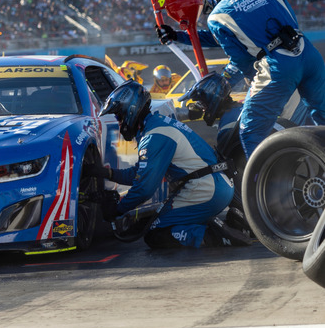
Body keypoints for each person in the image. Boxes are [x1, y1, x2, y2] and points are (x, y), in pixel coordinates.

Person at [156, 0, 325, 158]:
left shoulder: (218, 15)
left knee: (251, 131)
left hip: (280, 68)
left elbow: (241, 61)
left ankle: (263, 185)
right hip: (309, 54)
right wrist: (179, 36)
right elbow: (287, 20)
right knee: (322, 120)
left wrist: (223, 82)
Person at [86, 79, 251, 249]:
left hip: (205, 189)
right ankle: (233, 223)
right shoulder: (157, 125)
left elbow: (144, 188)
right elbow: (141, 173)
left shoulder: (154, 136)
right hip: (214, 185)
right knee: (152, 224)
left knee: (156, 234)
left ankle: (215, 236)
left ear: (131, 110)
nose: (118, 122)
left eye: (119, 116)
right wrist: (106, 173)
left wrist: (118, 209)